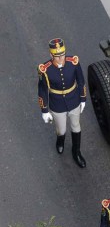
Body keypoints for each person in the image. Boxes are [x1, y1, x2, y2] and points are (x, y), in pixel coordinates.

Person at [37, 38, 87, 168]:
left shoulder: (73, 62)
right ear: (51, 55)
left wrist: (82, 98)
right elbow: (43, 90)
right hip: (57, 104)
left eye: (62, 55)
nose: (61, 59)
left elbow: (81, 81)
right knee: (62, 130)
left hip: (74, 100)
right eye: (57, 56)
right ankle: (60, 141)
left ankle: (76, 152)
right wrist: (44, 110)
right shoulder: (45, 69)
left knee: (76, 126)